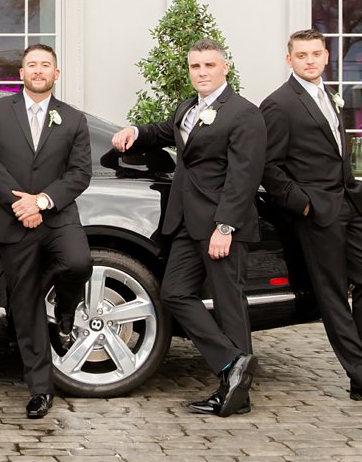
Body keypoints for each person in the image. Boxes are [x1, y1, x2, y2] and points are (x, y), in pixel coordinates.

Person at [259, 28, 362, 408]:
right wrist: (304, 204)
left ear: (326, 56)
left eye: (316, 54)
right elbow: (269, 167)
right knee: (332, 296)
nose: (310, 60)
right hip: (315, 214)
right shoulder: (279, 104)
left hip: (348, 205)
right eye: (302, 55)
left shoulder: (329, 95)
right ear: (289, 60)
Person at [112, 38, 264, 417]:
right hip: (185, 222)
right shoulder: (188, 108)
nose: (202, 73)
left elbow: (244, 176)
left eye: (209, 66)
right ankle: (233, 362)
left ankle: (236, 393)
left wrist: (225, 227)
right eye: (195, 66)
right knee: (175, 293)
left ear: (224, 68)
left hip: (220, 225)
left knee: (230, 305)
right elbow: (167, 132)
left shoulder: (244, 114)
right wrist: (136, 130)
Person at [0, 44, 93, 419]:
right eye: (31, 65)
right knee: (24, 304)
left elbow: (79, 173)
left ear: (57, 74)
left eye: (45, 65)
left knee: (78, 264)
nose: (38, 70)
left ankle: (66, 308)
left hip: (56, 216)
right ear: (20, 74)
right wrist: (20, 205)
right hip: (11, 218)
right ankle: (40, 389)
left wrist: (41, 202)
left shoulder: (73, 118)